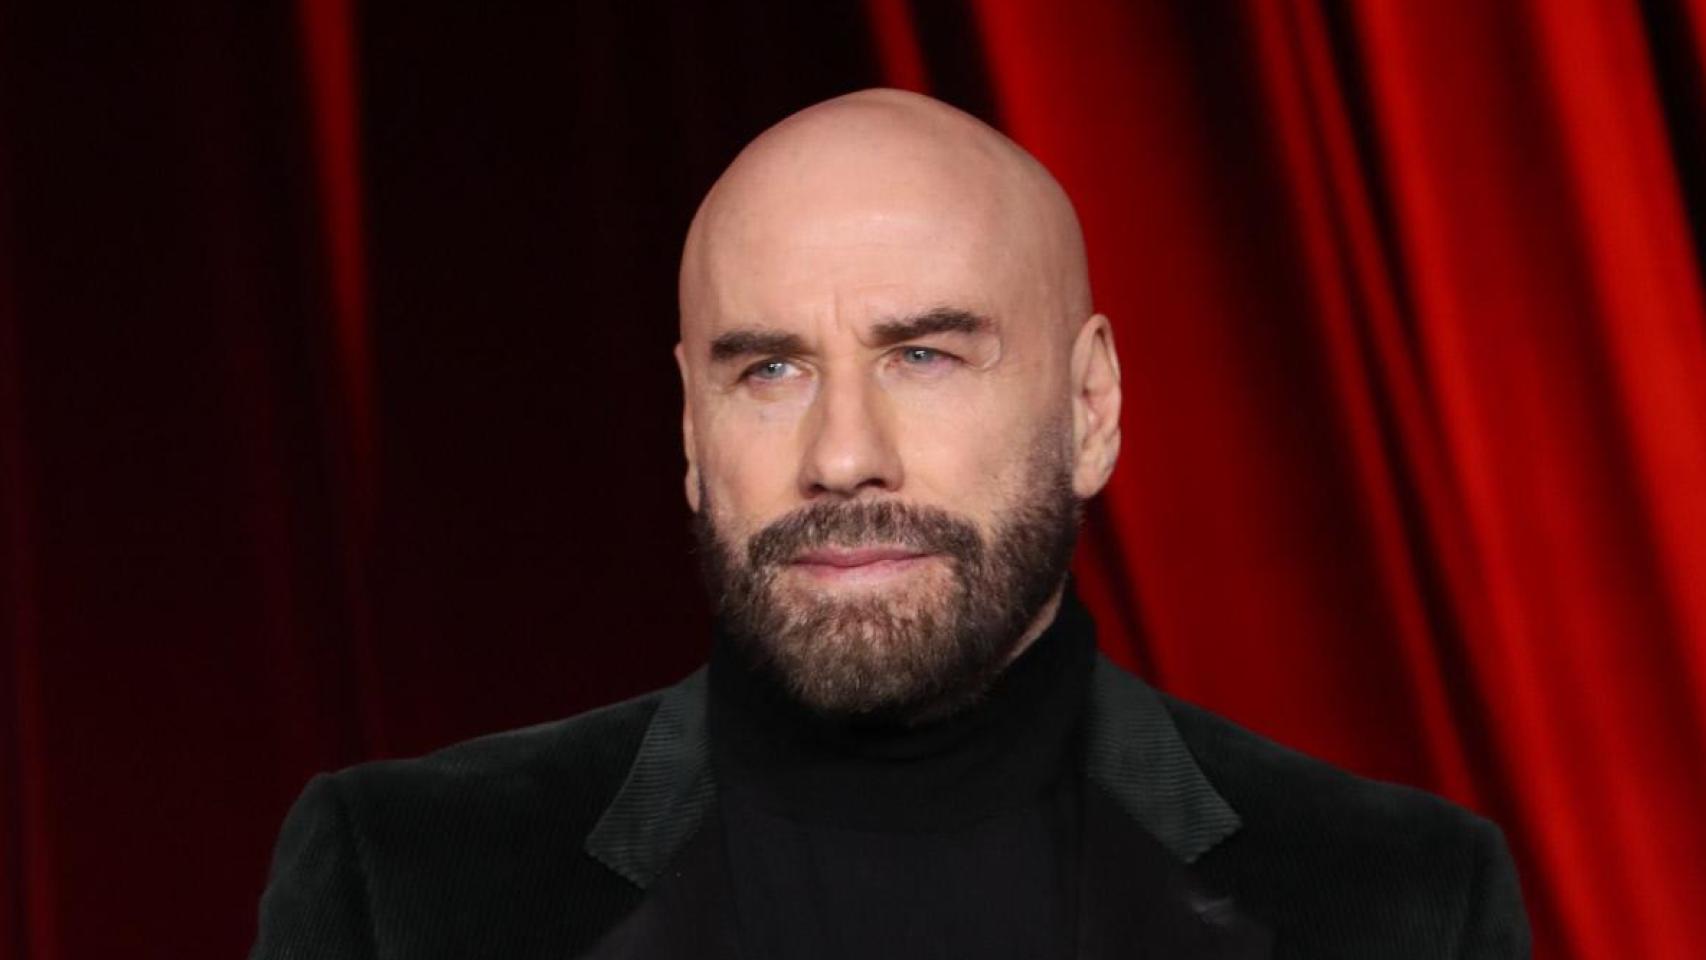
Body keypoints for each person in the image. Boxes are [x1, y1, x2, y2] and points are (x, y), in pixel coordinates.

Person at [250, 89, 1530, 959]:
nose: (842, 457)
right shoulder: (403, 885)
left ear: (1088, 409)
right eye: (769, 370)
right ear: (692, 435)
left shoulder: (1398, 905)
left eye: (922, 355)